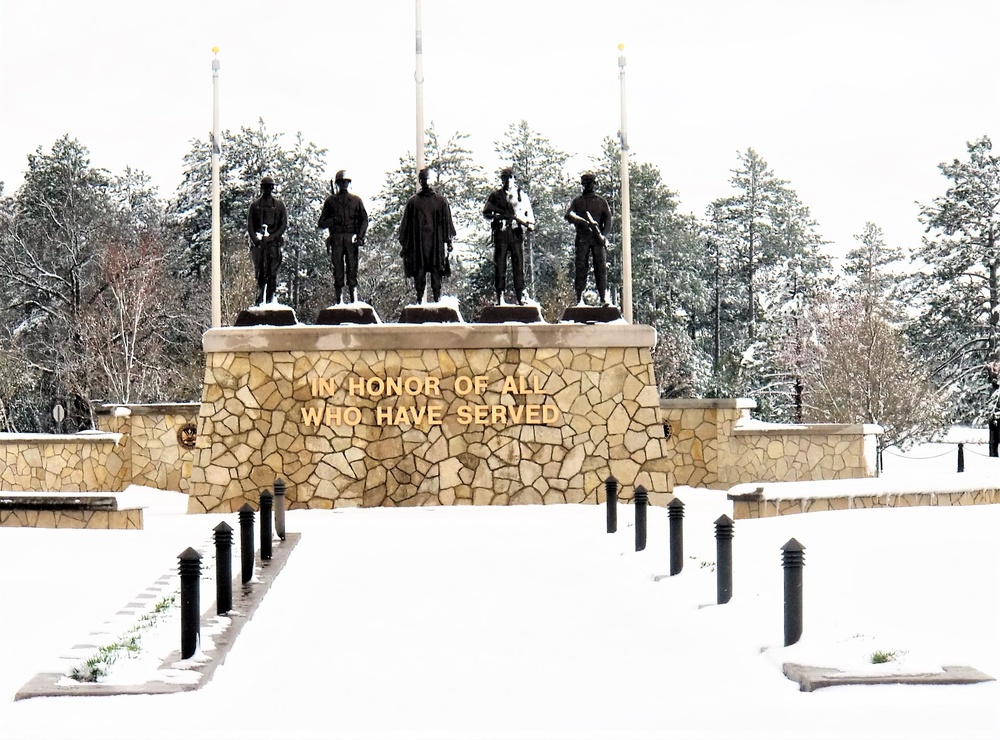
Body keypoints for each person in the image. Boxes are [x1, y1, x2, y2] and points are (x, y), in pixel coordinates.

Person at [398, 167, 456, 303]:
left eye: (427, 179)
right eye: (423, 179)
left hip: (436, 243)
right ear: (420, 180)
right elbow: (405, 226)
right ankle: (419, 301)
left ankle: (437, 300)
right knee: (419, 272)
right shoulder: (413, 202)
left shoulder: (441, 201)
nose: (425, 182)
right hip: (418, 244)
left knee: (436, 273)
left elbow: (447, 223)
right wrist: (405, 244)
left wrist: (449, 242)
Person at [317, 170, 369, 304]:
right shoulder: (330, 201)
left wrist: (360, 236)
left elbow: (364, 220)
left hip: (351, 240)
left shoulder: (356, 201)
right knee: (338, 269)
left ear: (349, 183)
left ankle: (354, 298)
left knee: (352, 268)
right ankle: (339, 299)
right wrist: (333, 220)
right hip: (336, 239)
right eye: (341, 182)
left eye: (346, 182)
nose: (343, 184)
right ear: (337, 184)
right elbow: (321, 223)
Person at [565, 171, 612, 305]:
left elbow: (608, 219)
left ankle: (603, 297)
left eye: (591, 182)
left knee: (600, 268)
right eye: (586, 183)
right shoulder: (578, 201)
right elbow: (568, 215)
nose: (589, 185)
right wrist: (580, 222)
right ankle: (579, 297)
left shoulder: (602, 202)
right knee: (581, 267)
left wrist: (603, 234)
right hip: (582, 239)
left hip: (597, 240)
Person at [482, 166, 526, 305]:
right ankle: (500, 296)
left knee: (518, 267)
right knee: (500, 267)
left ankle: (520, 296)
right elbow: (486, 213)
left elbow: (529, 215)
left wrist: (526, 222)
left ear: (514, 179)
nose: (507, 180)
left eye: (510, 177)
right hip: (501, 234)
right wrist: (499, 216)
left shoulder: (521, 195)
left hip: (516, 234)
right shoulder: (495, 196)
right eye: (505, 177)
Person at [247, 175, 287, 305]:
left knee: (272, 273)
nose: (268, 189)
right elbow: (250, 226)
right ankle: (260, 297)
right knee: (260, 272)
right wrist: (257, 241)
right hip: (260, 245)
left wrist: (273, 236)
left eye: (270, 187)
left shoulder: (279, 206)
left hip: (274, 244)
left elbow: (283, 225)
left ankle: (271, 298)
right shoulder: (255, 206)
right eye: (265, 187)